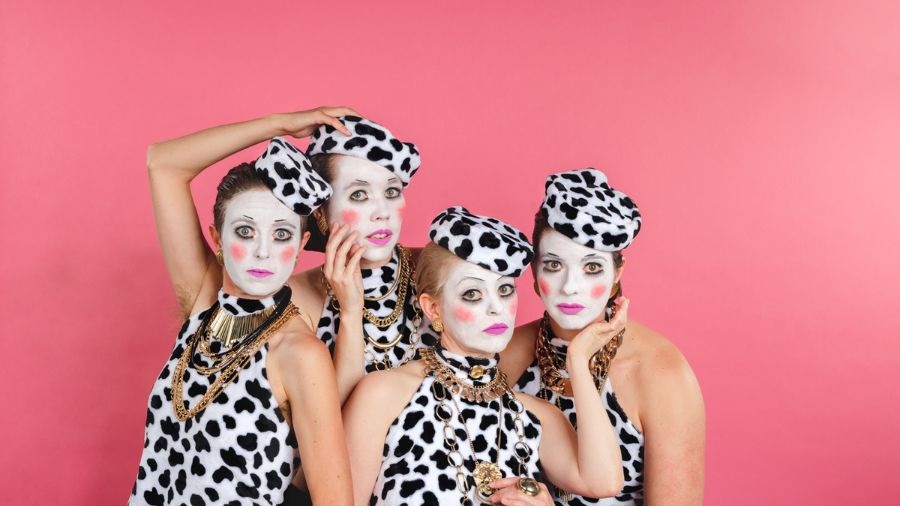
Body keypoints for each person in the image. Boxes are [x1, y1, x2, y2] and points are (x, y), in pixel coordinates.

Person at [343, 207, 625, 505]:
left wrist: (578, 360)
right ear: (433, 308)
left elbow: (604, 481)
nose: (496, 307)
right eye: (472, 294)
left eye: (504, 290)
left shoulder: (533, 415)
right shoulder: (384, 394)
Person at [131, 137, 351, 505]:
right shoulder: (204, 303)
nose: (263, 251)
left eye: (281, 234)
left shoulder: (297, 352)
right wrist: (281, 124)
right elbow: (163, 164)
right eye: (245, 232)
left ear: (300, 246)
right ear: (217, 238)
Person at [502, 169, 705, 505]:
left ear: (617, 273)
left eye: (592, 267)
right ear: (534, 271)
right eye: (554, 265)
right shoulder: (507, 353)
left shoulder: (661, 374)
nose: (570, 286)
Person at [291, 115, 430, 402]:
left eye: (392, 191)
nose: (382, 211)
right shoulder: (298, 298)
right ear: (320, 213)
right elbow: (334, 423)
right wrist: (351, 311)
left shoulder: (434, 269)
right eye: (359, 195)